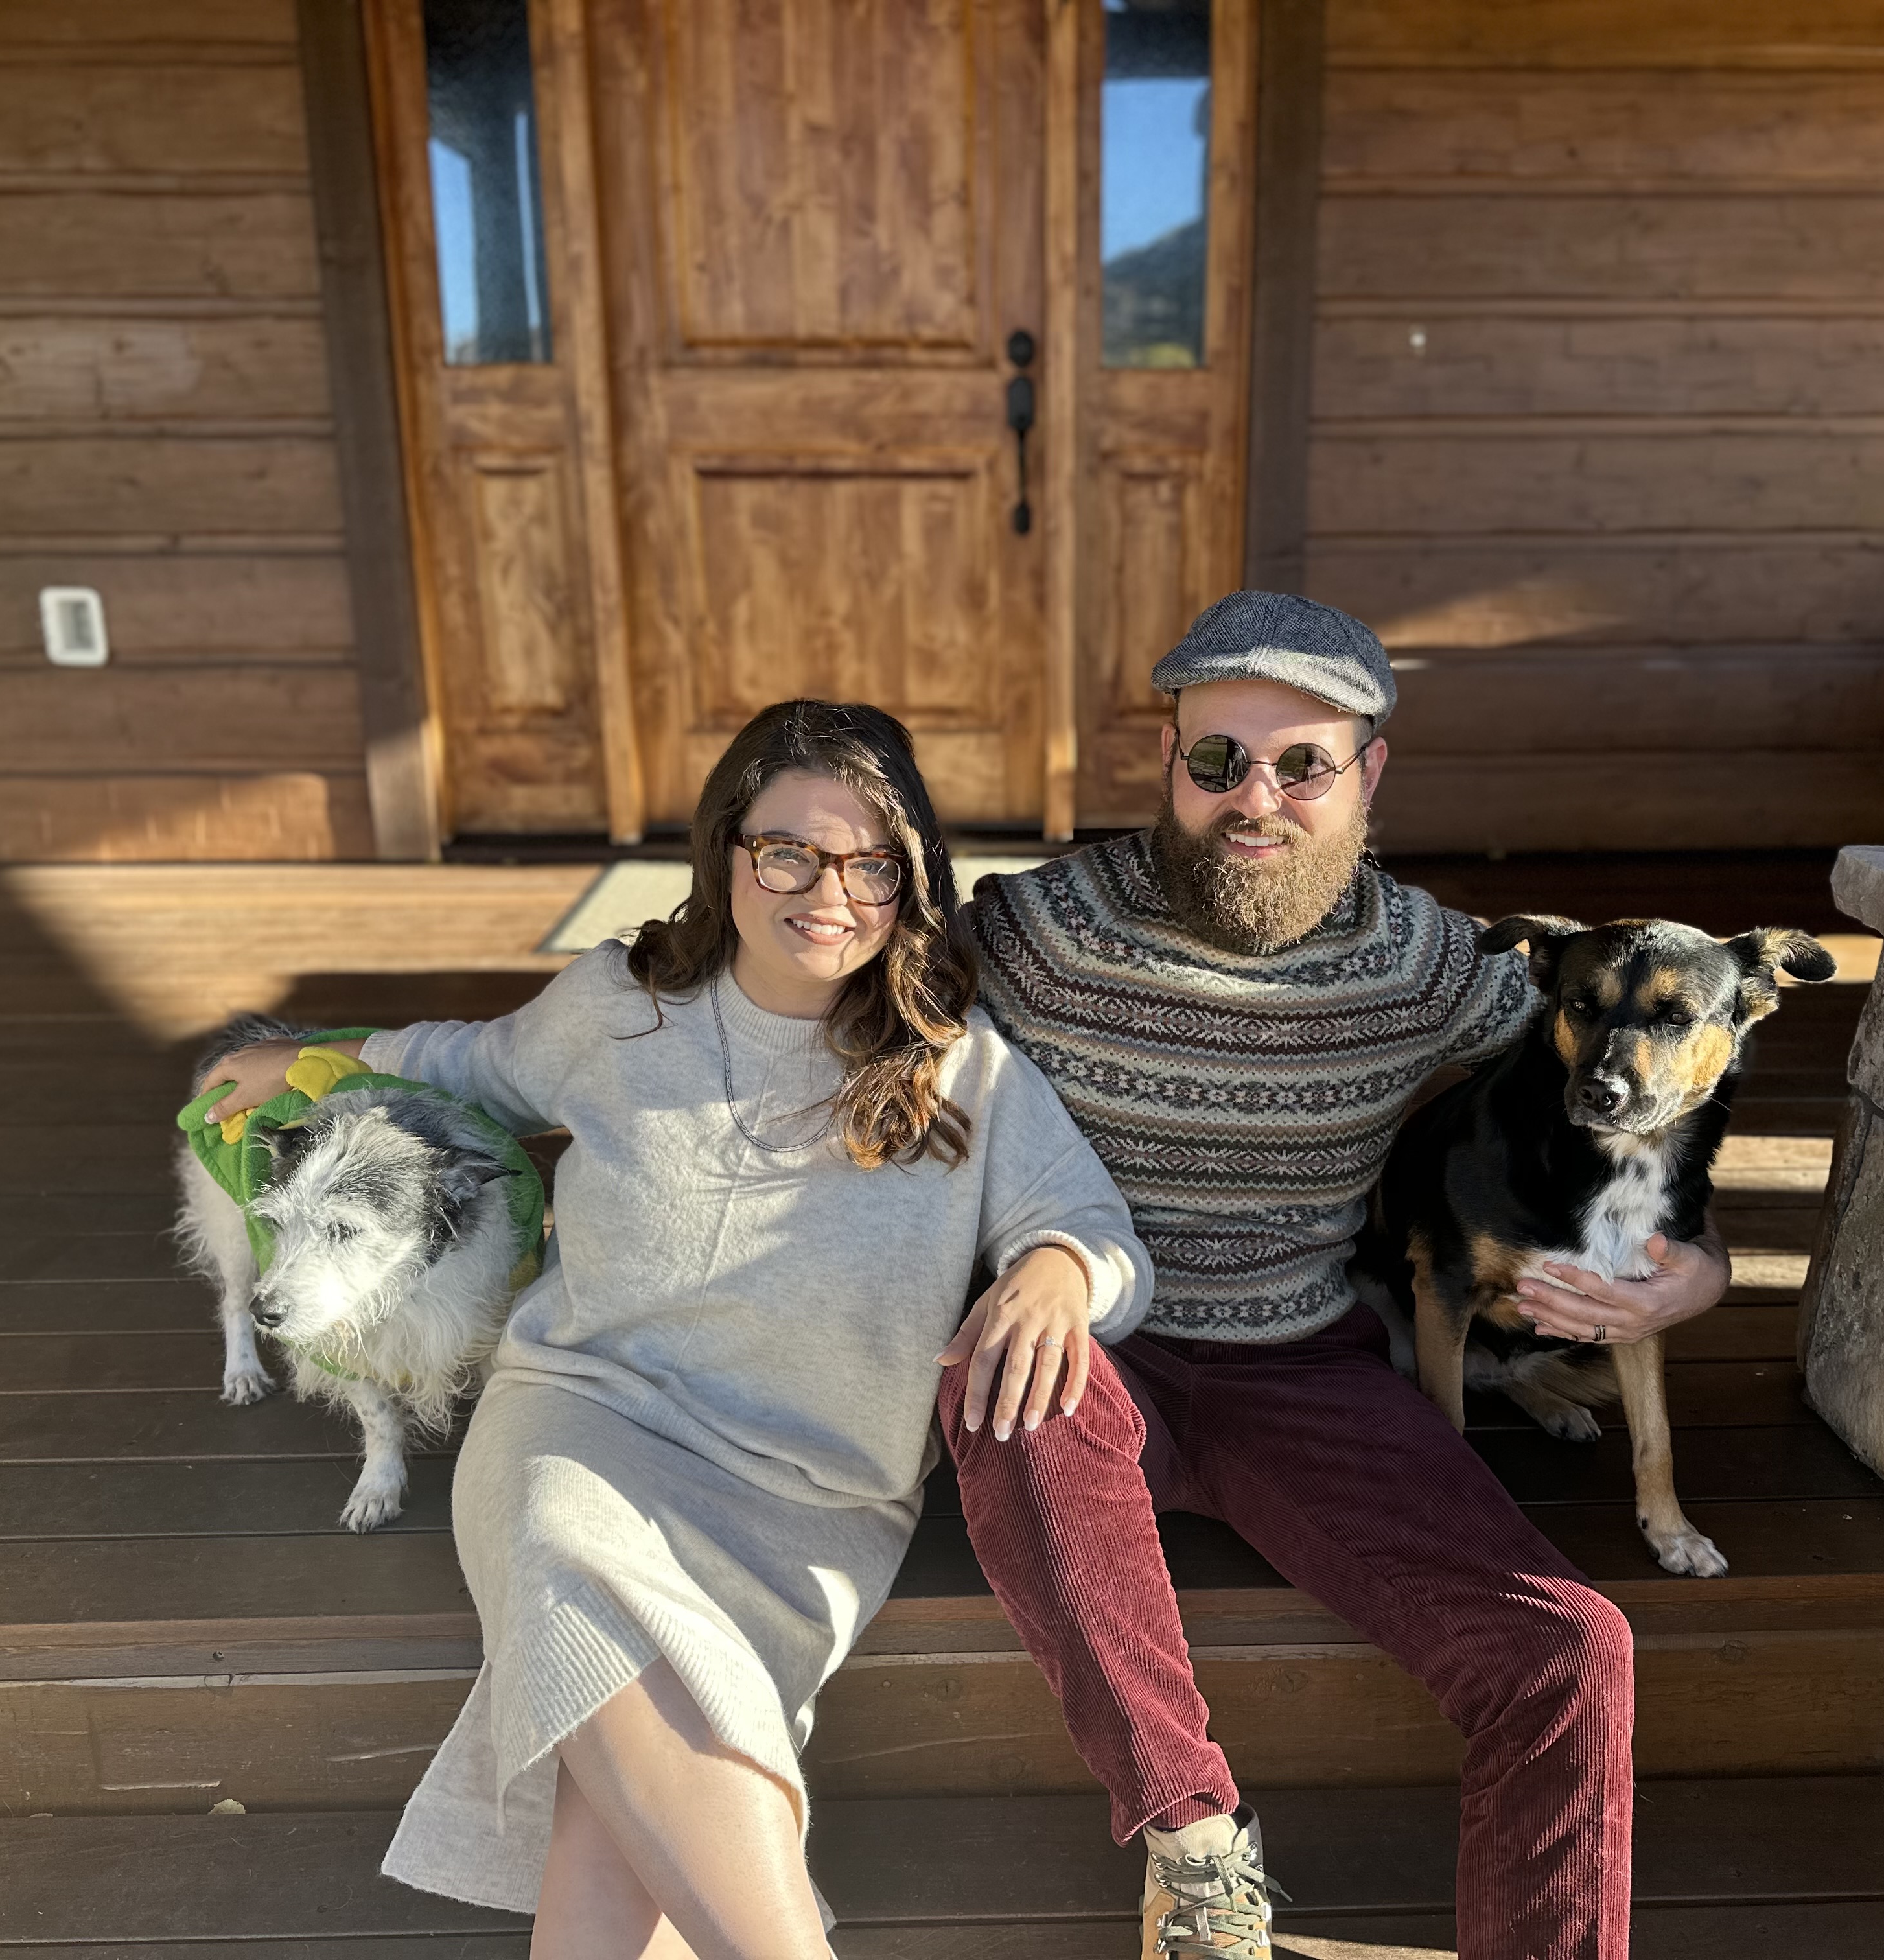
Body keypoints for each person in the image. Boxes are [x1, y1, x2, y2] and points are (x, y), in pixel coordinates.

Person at [202, 700, 1150, 1960]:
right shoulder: (624, 1003)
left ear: (911, 879)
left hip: (811, 1496)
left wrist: (1059, 1272)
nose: (831, 894)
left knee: (619, 1787)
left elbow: (1097, 1230)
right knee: (572, 1569)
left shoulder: (956, 1067)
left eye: (871, 864)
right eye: (790, 853)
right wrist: (319, 1058)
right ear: (728, 853)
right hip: (585, 1423)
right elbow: (477, 1064)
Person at [953, 592, 1734, 1960]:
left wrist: (1700, 1277)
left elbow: (1640, 1074)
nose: (1255, 798)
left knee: (1568, 1648)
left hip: (1304, 1366)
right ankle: (1197, 1850)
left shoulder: (1430, 963)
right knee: (1007, 1375)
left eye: (1302, 763)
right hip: (1094, 1348)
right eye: (1218, 759)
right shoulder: (1038, 927)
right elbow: (836, 988)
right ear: (1169, 760)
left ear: (1370, 772)